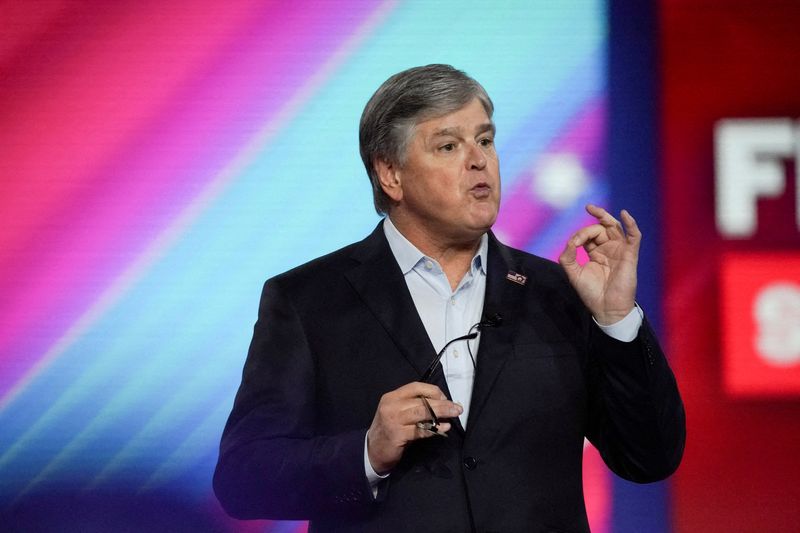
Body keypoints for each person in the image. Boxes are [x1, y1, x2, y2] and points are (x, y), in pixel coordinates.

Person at [213, 64, 685, 533]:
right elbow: (243, 479)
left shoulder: (559, 292)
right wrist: (367, 452)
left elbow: (649, 457)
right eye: (448, 145)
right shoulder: (308, 301)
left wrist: (617, 321)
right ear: (390, 173)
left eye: (484, 139)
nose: (479, 161)